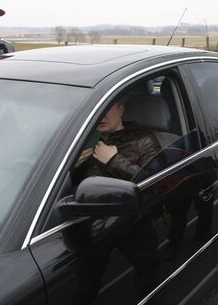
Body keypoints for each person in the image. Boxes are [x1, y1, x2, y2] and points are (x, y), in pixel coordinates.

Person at [74, 99, 162, 300]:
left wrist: (114, 160)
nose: (102, 116)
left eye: (108, 109)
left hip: (134, 222)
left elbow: (155, 183)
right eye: (98, 110)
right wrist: (73, 167)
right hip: (93, 224)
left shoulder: (143, 139)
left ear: (121, 109)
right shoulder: (83, 140)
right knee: (86, 283)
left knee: (146, 277)